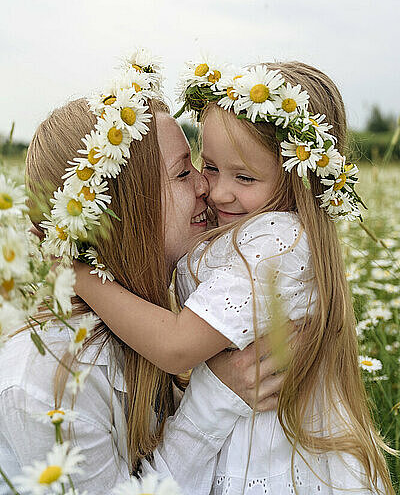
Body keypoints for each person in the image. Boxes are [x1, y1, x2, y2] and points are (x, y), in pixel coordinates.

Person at [72, 60, 395, 494]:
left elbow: (178, 347)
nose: (218, 191)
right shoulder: (240, 232)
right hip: (238, 438)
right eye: (209, 166)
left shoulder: (278, 239)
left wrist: (80, 274)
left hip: (279, 463)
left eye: (244, 177)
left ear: (299, 180)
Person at [0, 93, 284, 495]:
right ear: (123, 204)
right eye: (183, 173)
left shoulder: (148, 318)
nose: (207, 185)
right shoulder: (49, 377)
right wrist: (215, 397)